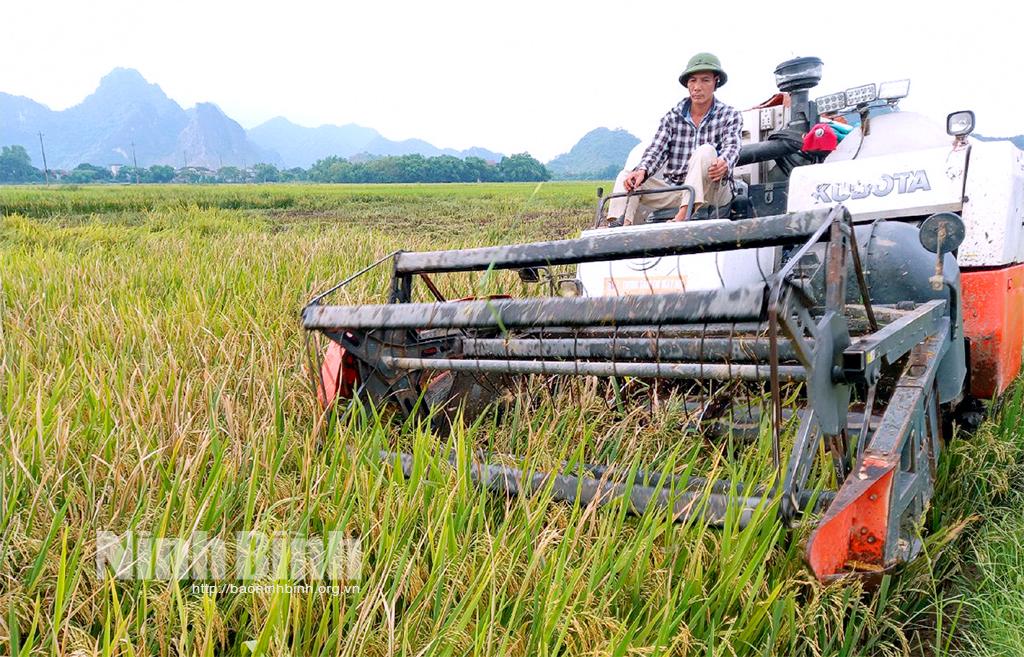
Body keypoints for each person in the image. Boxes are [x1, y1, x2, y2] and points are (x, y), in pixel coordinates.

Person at [607, 52, 743, 225]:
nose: (697, 87)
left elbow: (733, 147)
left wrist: (724, 162)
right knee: (627, 176)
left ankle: (682, 218)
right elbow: (656, 150)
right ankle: (618, 228)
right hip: (677, 189)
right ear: (687, 84)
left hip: (713, 190)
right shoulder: (672, 117)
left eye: (705, 80)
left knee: (706, 150)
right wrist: (642, 170)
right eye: (692, 80)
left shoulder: (730, 115)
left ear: (716, 82)